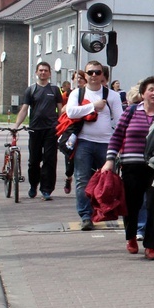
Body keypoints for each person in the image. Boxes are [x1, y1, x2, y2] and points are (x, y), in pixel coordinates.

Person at [102, 76, 154, 260]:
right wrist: (109, 159)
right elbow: (116, 137)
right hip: (131, 165)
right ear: (143, 93)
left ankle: (151, 246)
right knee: (132, 204)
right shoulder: (130, 112)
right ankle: (131, 236)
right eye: (151, 90)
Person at [65, 60, 122, 231]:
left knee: (107, 181)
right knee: (82, 179)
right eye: (90, 73)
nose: (94, 76)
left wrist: (119, 144)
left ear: (103, 75)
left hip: (106, 143)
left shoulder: (112, 95)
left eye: (98, 72)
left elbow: (120, 120)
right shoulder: (78, 92)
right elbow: (70, 111)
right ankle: (85, 216)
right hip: (84, 142)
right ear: (85, 75)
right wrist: (93, 107)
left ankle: (105, 211)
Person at [13, 62, 63, 200]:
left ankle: (46, 189)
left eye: (46, 70)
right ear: (36, 72)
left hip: (51, 130)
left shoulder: (54, 90)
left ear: (49, 73)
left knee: (50, 160)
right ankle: (33, 185)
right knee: (34, 160)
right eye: (40, 70)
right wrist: (16, 125)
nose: (43, 73)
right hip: (35, 129)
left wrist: (62, 127)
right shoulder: (31, 90)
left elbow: (60, 109)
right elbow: (24, 109)